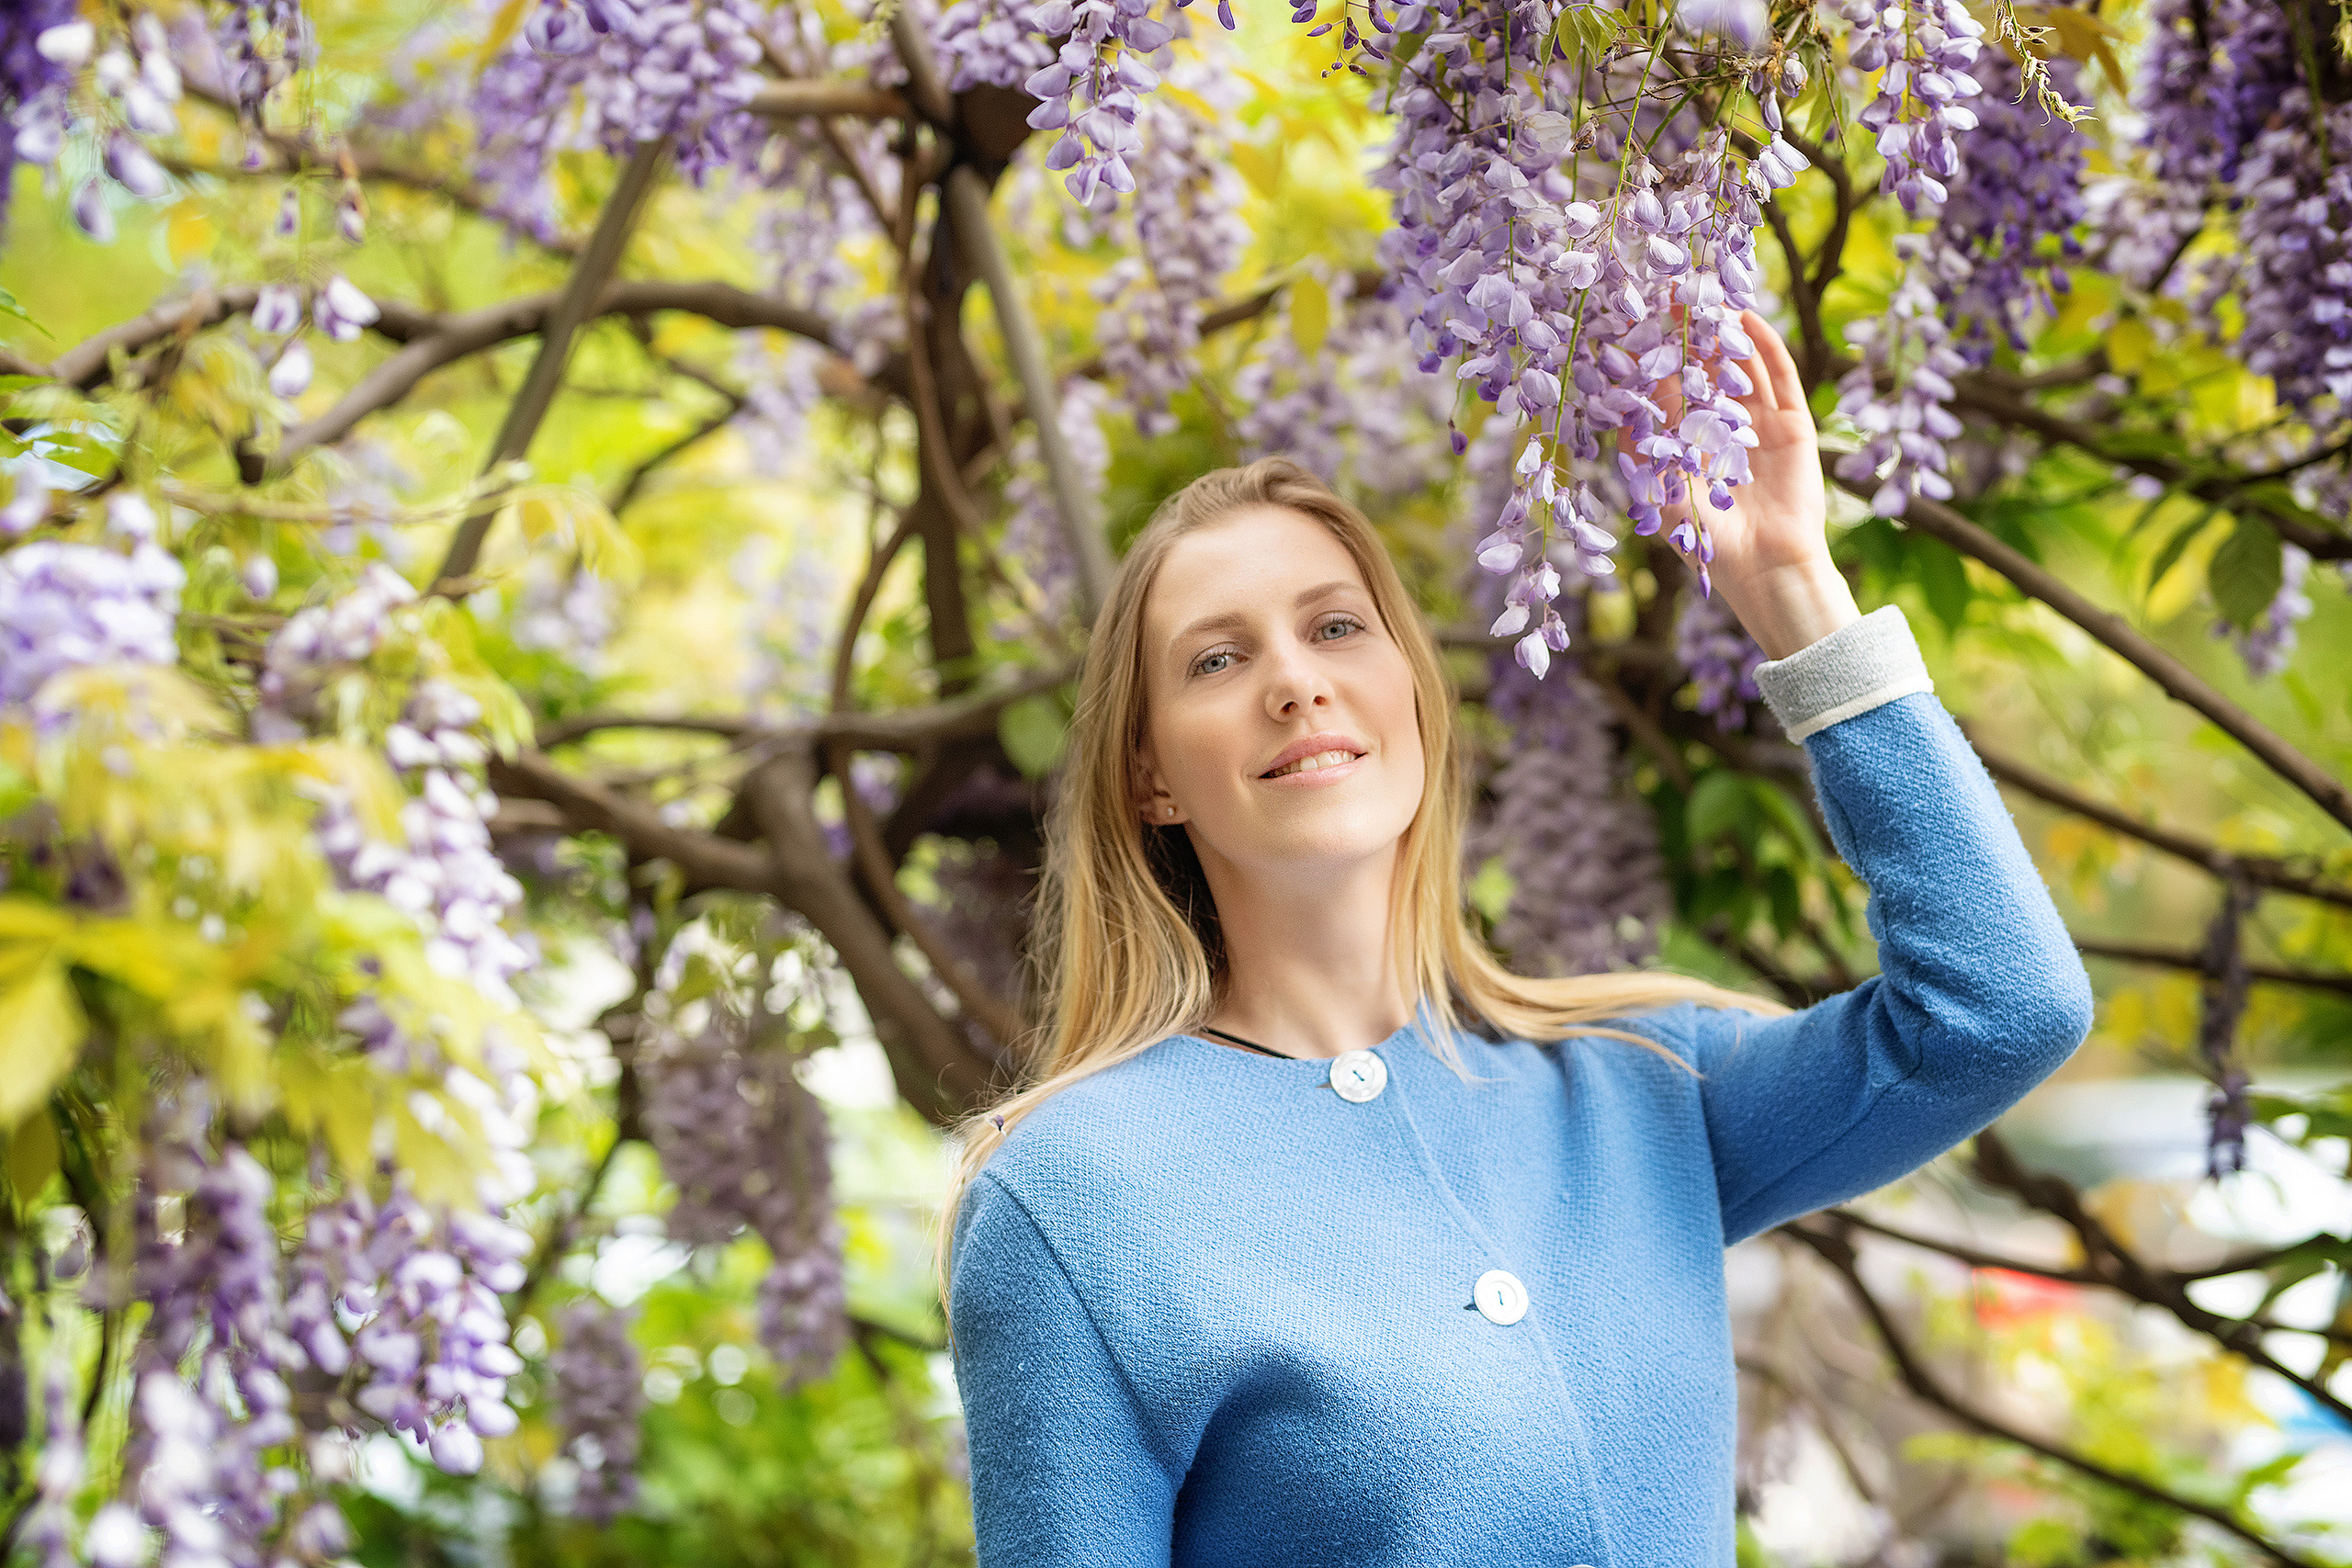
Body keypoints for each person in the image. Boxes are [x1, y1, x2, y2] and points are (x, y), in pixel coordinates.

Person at [941, 310, 2093, 1566]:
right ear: (1152, 775)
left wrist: (1792, 592)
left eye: (1337, 628)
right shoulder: (1073, 1198)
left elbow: (2001, 1011)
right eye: (1218, 658)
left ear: (1415, 702)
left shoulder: (1638, 1086)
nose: (1294, 680)